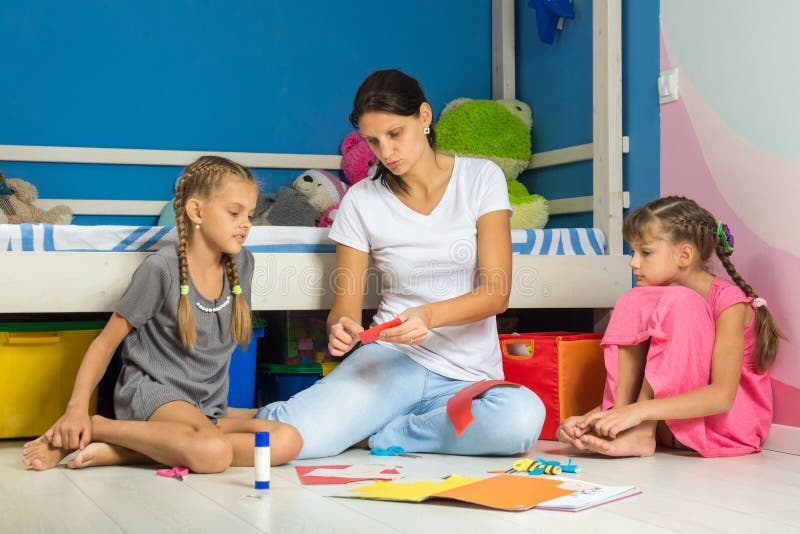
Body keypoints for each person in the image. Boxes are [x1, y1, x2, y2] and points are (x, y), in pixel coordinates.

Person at [255, 69, 545, 459]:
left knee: (517, 421)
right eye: (374, 141)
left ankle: (389, 431)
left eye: (395, 134)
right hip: (390, 362)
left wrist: (427, 316)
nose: (386, 152)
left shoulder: (480, 178)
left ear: (424, 117)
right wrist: (341, 329)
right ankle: (259, 419)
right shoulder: (361, 200)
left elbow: (496, 294)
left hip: (467, 376)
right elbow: (345, 308)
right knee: (293, 440)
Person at [23, 156, 302, 472]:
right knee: (213, 454)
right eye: (234, 213)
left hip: (206, 408)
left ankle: (124, 451)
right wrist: (76, 409)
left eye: (249, 215)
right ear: (196, 211)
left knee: (286, 440)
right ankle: (97, 427)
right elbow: (105, 343)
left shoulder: (243, 264)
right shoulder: (162, 269)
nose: (246, 224)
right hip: (154, 395)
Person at [557, 196, 784, 457]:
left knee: (676, 300)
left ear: (684, 255)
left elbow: (722, 397)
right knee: (635, 299)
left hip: (723, 429)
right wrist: (594, 419)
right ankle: (625, 429)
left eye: (646, 252)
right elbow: (661, 374)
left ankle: (639, 432)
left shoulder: (728, 303)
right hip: (671, 424)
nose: (633, 262)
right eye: (633, 252)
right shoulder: (663, 300)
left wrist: (638, 412)